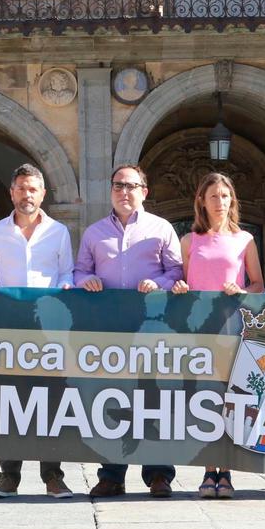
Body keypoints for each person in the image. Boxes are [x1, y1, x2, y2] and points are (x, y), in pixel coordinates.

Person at [76, 164, 183, 498]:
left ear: (144, 192)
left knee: (153, 397)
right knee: (112, 398)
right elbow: (80, 271)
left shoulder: (161, 229)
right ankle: (111, 474)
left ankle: (159, 474)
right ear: (111, 190)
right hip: (109, 329)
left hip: (152, 325)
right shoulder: (94, 233)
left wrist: (160, 283)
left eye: (131, 186)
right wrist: (86, 281)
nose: (124, 191)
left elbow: (177, 271)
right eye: (118, 185)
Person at [0, 164, 75, 500]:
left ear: (43, 194)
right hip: (10, 332)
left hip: (48, 332)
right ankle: (9, 476)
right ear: (12, 192)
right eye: (21, 188)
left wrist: (64, 288)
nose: (27, 195)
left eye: (33, 189)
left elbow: (67, 275)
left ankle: (53, 476)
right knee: (11, 403)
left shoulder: (59, 232)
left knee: (50, 404)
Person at [170, 172, 263, 498]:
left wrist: (241, 290)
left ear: (232, 201)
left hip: (233, 327)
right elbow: (182, 283)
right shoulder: (188, 241)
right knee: (205, 400)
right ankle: (209, 471)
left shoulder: (245, 240)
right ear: (202, 201)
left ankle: (227, 473)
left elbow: (258, 285)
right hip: (199, 330)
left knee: (231, 399)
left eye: (225, 196)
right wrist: (179, 287)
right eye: (214, 196)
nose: (220, 202)